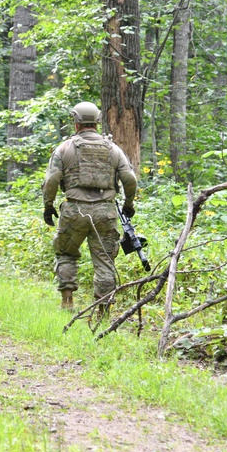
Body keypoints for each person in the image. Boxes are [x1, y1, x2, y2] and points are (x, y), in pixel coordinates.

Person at [42, 101, 137, 312]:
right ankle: (103, 311)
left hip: (74, 211)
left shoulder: (64, 148)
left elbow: (51, 181)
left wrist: (48, 206)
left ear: (76, 122)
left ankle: (67, 301)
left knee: (66, 253)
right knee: (104, 261)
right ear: (97, 122)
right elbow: (129, 179)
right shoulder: (113, 149)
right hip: (105, 212)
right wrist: (129, 204)